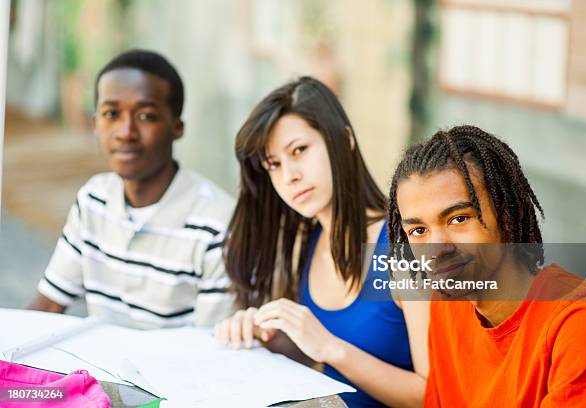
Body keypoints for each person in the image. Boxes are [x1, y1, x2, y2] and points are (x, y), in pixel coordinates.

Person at [215, 77, 429, 407]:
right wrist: (268, 335)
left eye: (299, 150)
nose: (289, 176)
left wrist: (330, 348)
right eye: (274, 165)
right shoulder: (308, 241)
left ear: (343, 140)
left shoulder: (404, 249)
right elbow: (319, 359)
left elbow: (434, 396)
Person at [387, 125, 586, 407]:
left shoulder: (582, 323)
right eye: (419, 231)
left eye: (458, 219)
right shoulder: (447, 303)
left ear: (507, 216)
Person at [28, 50, 236, 329]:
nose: (125, 131)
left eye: (146, 116)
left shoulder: (217, 222)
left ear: (177, 127)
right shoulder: (93, 200)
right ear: (95, 124)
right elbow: (48, 304)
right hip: (99, 371)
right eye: (111, 114)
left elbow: (213, 349)